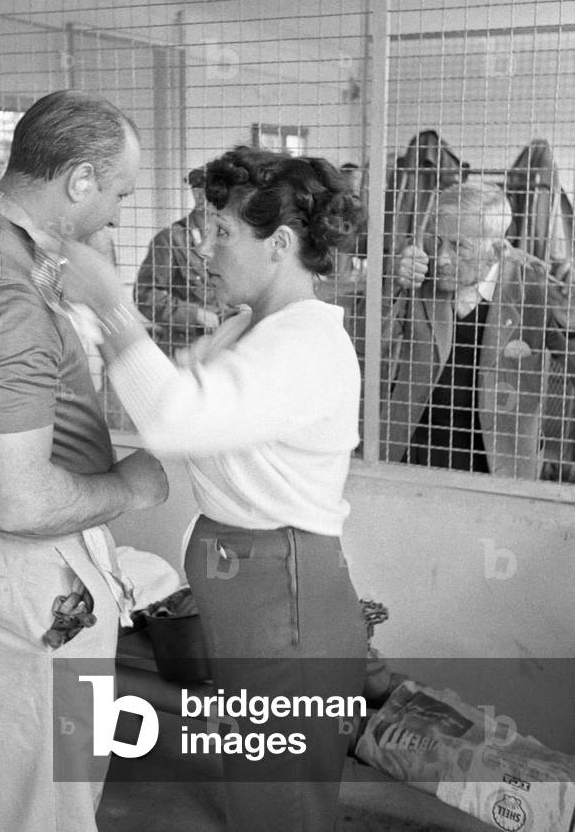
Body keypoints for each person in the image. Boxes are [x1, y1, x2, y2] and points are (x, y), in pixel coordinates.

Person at [60, 146, 369, 832]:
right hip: (250, 583)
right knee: (260, 782)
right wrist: (88, 311)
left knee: (280, 799)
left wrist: (108, 303)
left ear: (280, 244)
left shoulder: (304, 344)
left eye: (223, 230)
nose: (204, 245)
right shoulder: (247, 325)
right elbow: (162, 391)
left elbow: (172, 418)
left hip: (282, 593)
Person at [0, 89, 169, 832]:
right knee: (40, 803)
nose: (119, 213)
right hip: (20, 581)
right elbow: (22, 502)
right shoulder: (6, 290)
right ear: (80, 179)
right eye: (118, 190)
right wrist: (130, 483)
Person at [382, 181, 575, 478]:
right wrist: (391, 283)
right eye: (437, 241)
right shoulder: (417, 278)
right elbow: (363, 343)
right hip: (413, 451)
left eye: (460, 247)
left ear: (497, 252)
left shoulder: (531, 289)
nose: (442, 258)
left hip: (499, 462)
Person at [135, 166, 222, 357]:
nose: (204, 197)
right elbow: (144, 295)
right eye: (199, 191)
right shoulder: (171, 239)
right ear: (197, 194)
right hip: (184, 346)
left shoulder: (230, 238)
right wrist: (195, 315)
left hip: (224, 342)